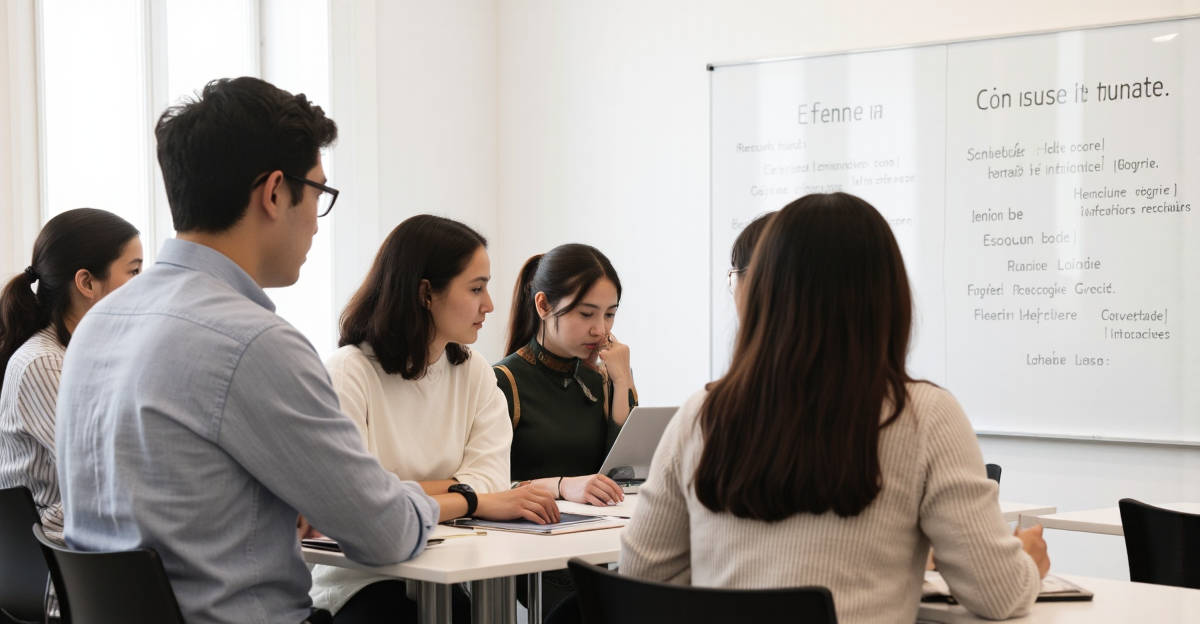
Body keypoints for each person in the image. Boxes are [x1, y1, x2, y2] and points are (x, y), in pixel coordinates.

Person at [55, 77, 444, 624]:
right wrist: (424, 498)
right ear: (275, 193)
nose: (315, 220)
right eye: (318, 194)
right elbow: (387, 533)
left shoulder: (99, 325)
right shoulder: (253, 341)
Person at [619, 193, 1049, 624]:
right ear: (888, 296)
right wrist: (1027, 561)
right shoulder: (924, 415)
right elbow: (999, 594)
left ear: (765, 290)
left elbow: (641, 574)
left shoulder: (702, 413)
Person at [309, 214, 559, 623]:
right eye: (476, 288)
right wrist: (472, 499)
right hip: (361, 585)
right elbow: (357, 507)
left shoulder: (473, 371)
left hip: (448, 574)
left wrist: (405, 494)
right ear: (426, 293)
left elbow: (492, 480)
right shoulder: (349, 372)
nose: (490, 305)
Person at [494, 243, 637, 612]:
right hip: (528, 551)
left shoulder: (598, 381)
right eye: (587, 313)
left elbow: (627, 472)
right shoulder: (504, 381)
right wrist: (562, 486)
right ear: (543, 306)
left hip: (595, 545)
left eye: (609, 315)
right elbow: (483, 488)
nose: (600, 329)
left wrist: (623, 381)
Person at [0, 208, 142, 545]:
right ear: (87, 282)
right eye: (134, 271)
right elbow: (107, 472)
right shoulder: (44, 364)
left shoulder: (86, 355)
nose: (145, 285)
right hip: (56, 562)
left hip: (90, 543)